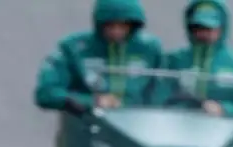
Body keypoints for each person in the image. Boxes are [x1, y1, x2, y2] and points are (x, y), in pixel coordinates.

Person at [33, 0, 163, 113]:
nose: (116, 32)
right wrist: (92, 101)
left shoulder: (150, 49)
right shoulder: (74, 48)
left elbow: (166, 89)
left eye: (123, 25)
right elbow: (46, 92)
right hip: (88, 128)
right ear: (99, 24)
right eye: (110, 25)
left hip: (137, 128)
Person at [160, 0, 233, 119]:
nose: (203, 33)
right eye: (197, 28)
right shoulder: (174, 60)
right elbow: (158, 98)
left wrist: (224, 109)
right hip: (177, 125)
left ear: (222, 28)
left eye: (209, 28)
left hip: (225, 130)